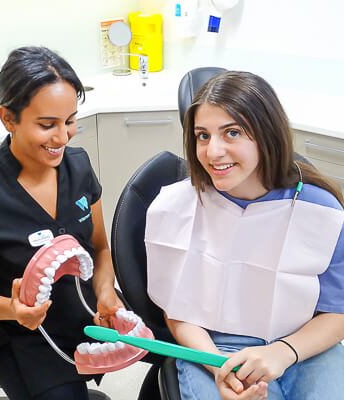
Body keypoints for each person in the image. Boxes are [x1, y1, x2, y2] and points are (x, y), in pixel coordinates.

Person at [145, 71, 344, 400]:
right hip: (214, 347)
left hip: (305, 345)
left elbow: (337, 312)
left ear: (266, 135)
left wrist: (283, 352)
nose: (213, 151)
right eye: (203, 136)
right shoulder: (177, 208)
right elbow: (177, 310)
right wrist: (217, 365)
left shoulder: (320, 211)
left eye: (232, 133)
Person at [0, 46, 124, 400]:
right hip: (23, 334)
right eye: (47, 125)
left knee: (169, 350)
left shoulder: (79, 166)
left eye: (70, 120)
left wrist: (105, 293)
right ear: (9, 119)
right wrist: (12, 308)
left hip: (85, 307)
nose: (63, 137)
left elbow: (100, 248)